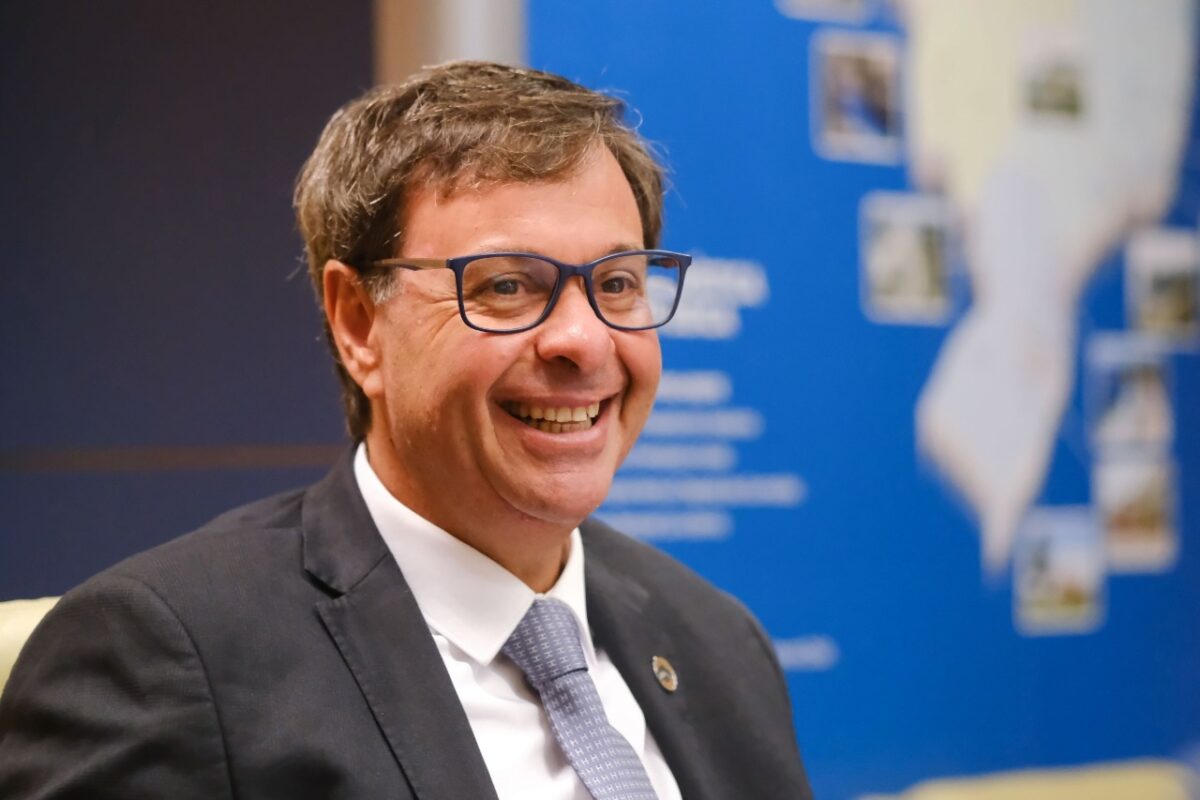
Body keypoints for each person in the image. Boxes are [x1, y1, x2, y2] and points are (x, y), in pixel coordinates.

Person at [0, 61, 812, 799]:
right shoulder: (167, 659)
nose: (584, 341)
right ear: (359, 324)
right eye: (507, 285)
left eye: (618, 282)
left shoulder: (717, 641)